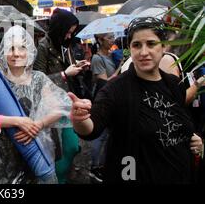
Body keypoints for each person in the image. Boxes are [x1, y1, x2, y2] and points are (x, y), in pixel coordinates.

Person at [71, 17, 203, 183]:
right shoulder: (116, 89)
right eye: (137, 45)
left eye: (151, 43)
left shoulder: (173, 83)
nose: (144, 52)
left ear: (163, 47)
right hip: (136, 175)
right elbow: (92, 128)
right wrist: (80, 119)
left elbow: (177, 121)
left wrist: (192, 138)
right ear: (130, 49)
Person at [0, 25, 72, 184]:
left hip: (35, 149)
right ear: (3, 51)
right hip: (2, 155)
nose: (16, 53)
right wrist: (17, 121)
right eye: (11, 48)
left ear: (30, 51)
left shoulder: (39, 79)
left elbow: (58, 109)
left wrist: (38, 124)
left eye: (22, 48)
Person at [33, 8, 90, 184]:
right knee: (59, 150)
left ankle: (60, 178)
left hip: (66, 103)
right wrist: (65, 74)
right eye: (68, 32)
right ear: (59, 28)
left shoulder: (64, 47)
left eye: (72, 33)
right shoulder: (43, 47)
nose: (69, 36)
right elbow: (37, 79)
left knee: (72, 147)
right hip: (50, 107)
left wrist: (78, 67)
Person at [88, 33, 123, 183]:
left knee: (109, 134)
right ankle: (95, 167)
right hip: (102, 101)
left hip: (114, 100)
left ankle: (103, 164)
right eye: (108, 38)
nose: (112, 40)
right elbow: (105, 83)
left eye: (112, 37)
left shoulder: (112, 55)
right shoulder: (97, 59)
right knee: (99, 134)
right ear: (100, 40)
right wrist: (120, 69)